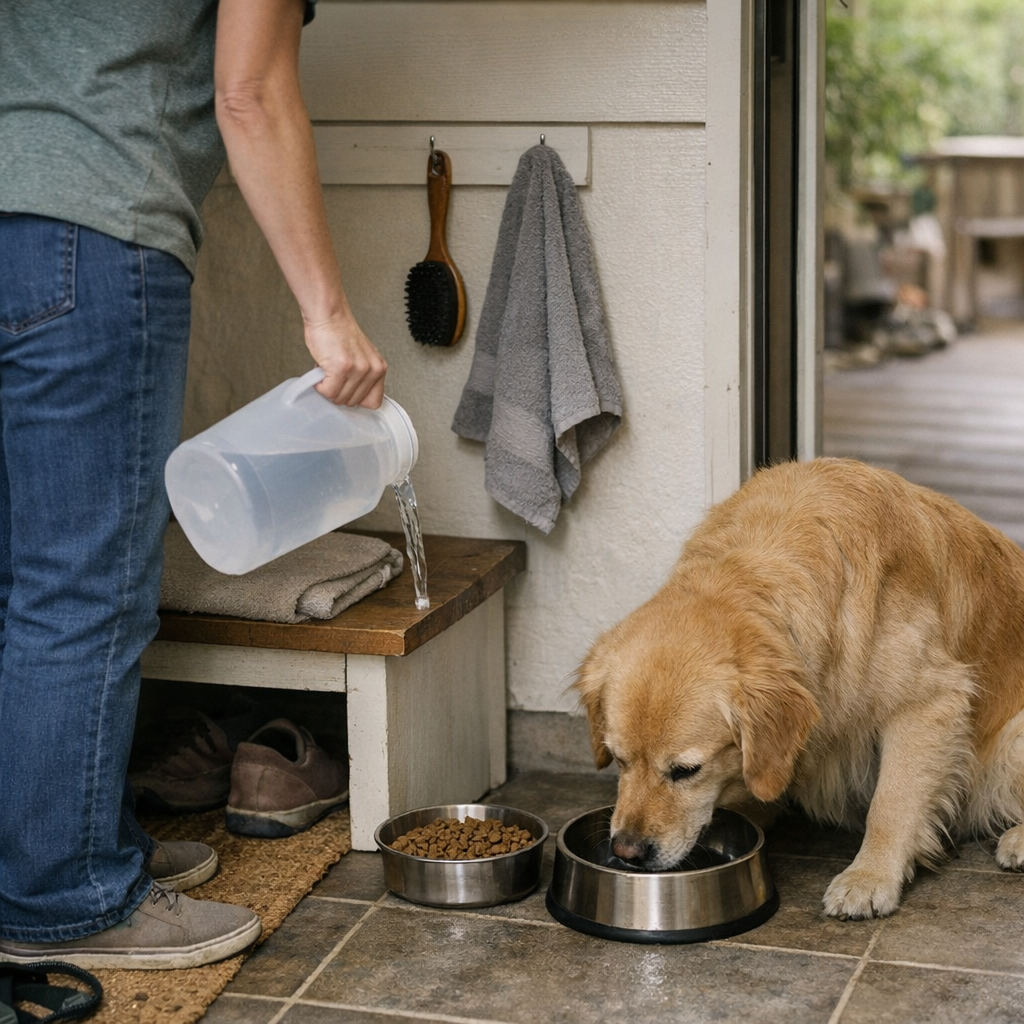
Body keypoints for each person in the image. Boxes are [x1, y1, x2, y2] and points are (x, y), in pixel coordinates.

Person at [0, 0, 387, 969]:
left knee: (19, 573)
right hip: (86, 233)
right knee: (78, 589)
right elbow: (249, 91)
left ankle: (61, 849)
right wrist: (328, 315)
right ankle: (66, 896)